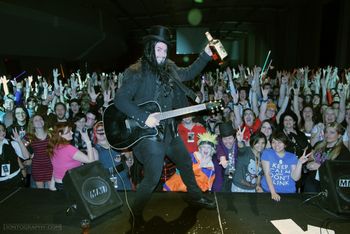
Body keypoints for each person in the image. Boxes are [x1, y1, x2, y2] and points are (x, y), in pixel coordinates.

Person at [114, 25, 216, 223]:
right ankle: (135, 214)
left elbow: (187, 74)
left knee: (185, 162)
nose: (162, 53)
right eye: (158, 49)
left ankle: (195, 197)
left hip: (169, 131)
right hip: (150, 135)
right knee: (152, 178)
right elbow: (120, 100)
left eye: (165, 49)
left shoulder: (168, 67)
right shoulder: (136, 71)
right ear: (150, 48)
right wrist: (145, 117)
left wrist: (204, 54)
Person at [260, 132, 310, 201]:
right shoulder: (267, 153)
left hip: (288, 192)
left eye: (279, 142)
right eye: (273, 142)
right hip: (268, 191)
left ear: (285, 144)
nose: (276, 145)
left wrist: (299, 163)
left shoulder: (292, 156)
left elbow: (295, 178)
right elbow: (267, 174)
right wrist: (273, 193)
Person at [47, 122, 96, 190]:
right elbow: (91, 161)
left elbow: (56, 168)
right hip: (70, 185)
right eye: (68, 132)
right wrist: (88, 141)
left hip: (58, 184)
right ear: (60, 134)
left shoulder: (54, 147)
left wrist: (52, 186)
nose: (72, 133)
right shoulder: (68, 148)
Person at [304, 122, 350, 192]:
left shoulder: (344, 152)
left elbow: (341, 172)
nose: (327, 135)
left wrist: (321, 167)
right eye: (326, 132)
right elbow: (308, 159)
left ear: (339, 135)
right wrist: (308, 164)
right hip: (312, 182)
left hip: (329, 185)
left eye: (332, 132)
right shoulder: (318, 145)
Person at [92, 121, 132, 191]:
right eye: (99, 131)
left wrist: (125, 158)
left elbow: (128, 154)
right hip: (108, 179)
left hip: (124, 176)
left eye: (103, 130)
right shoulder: (94, 149)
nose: (101, 133)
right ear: (95, 133)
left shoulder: (116, 144)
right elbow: (95, 168)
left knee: (129, 197)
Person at [212, 121, 237, 192]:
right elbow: (219, 150)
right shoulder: (219, 144)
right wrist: (222, 158)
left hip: (235, 179)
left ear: (234, 138)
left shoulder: (237, 145)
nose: (227, 141)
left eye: (230, 138)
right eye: (225, 139)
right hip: (221, 179)